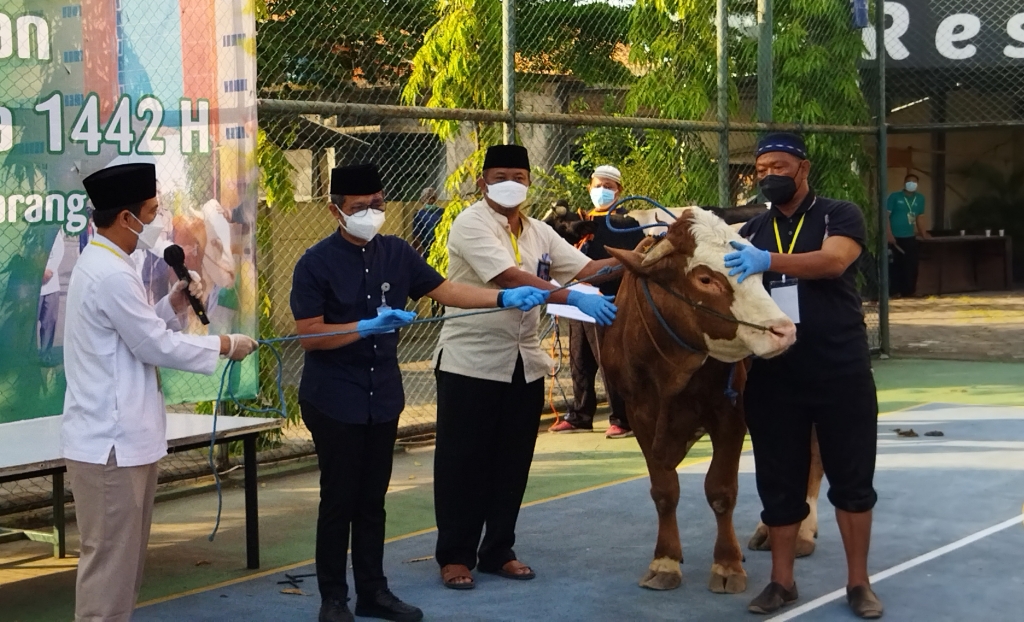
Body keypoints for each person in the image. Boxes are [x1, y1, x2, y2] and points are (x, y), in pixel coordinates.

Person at [289, 163, 549, 622]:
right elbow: (309, 334)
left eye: (377, 204)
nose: (371, 213)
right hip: (335, 398)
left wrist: (502, 298)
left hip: (382, 396)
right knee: (340, 500)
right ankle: (333, 597)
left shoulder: (396, 252)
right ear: (335, 211)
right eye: (359, 207)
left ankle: (373, 591)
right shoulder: (315, 263)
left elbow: (445, 290)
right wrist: (363, 327)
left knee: (373, 501)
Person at [432, 144, 635, 590]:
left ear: (529, 182)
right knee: (462, 462)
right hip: (471, 362)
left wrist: (640, 256)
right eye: (500, 176)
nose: (511, 184)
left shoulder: (539, 232)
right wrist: (571, 297)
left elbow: (587, 269)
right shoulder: (470, 224)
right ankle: (455, 556)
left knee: (513, 461)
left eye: (519, 177)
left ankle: (498, 550)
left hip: (524, 364)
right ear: (482, 182)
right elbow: (509, 278)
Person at [61, 162, 258, 622]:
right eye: (151, 211)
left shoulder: (112, 264)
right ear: (125, 217)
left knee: (123, 566)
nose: (158, 219)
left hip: (124, 440)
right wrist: (224, 345)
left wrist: (172, 304)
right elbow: (152, 345)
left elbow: (136, 333)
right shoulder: (109, 272)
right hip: (110, 443)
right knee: (110, 567)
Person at [723, 133, 882, 619]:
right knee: (779, 482)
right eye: (761, 169)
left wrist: (768, 261)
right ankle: (781, 582)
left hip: (840, 368)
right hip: (775, 373)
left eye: (779, 166)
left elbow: (834, 262)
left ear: (803, 168)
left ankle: (859, 583)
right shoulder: (751, 230)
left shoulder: (839, 214)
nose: (769, 175)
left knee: (853, 481)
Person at [549, 165, 644, 438]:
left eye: (609, 186)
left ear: (619, 191)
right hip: (577, 299)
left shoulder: (625, 224)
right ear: (589, 188)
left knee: (609, 359)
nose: (602, 190)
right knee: (579, 358)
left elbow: (633, 261)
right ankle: (580, 414)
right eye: (598, 185)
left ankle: (621, 418)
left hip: (608, 300)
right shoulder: (576, 221)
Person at [886, 173, 929, 297]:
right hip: (894, 236)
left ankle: (909, 291)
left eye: (914, 182)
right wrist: (888, 234)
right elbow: (885, 216)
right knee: (894, 265)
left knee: (911, 264)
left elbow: (919, 217)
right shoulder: (894, 197)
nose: (912, 184)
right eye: (909, 181)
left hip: (909, 236)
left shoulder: (920, 198)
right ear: (904, 183)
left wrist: (924, 233)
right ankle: (894, 291)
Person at [39, 228, 65, 366]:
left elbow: (59, 249)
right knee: (26, 324)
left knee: (49, 322)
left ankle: (45, 354)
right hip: (31, 285)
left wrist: (50, 270)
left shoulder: (54, 229)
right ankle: (27, 355)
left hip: (51, 285)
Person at [411, 187, 444, 259]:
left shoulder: (442, 212)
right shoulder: (419, 215)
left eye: (433, 198)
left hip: (441, 247)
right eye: (428, 198)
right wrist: (419, 254)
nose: (431, 200)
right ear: (423, 200)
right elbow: (416, 237)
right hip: (426, 249)